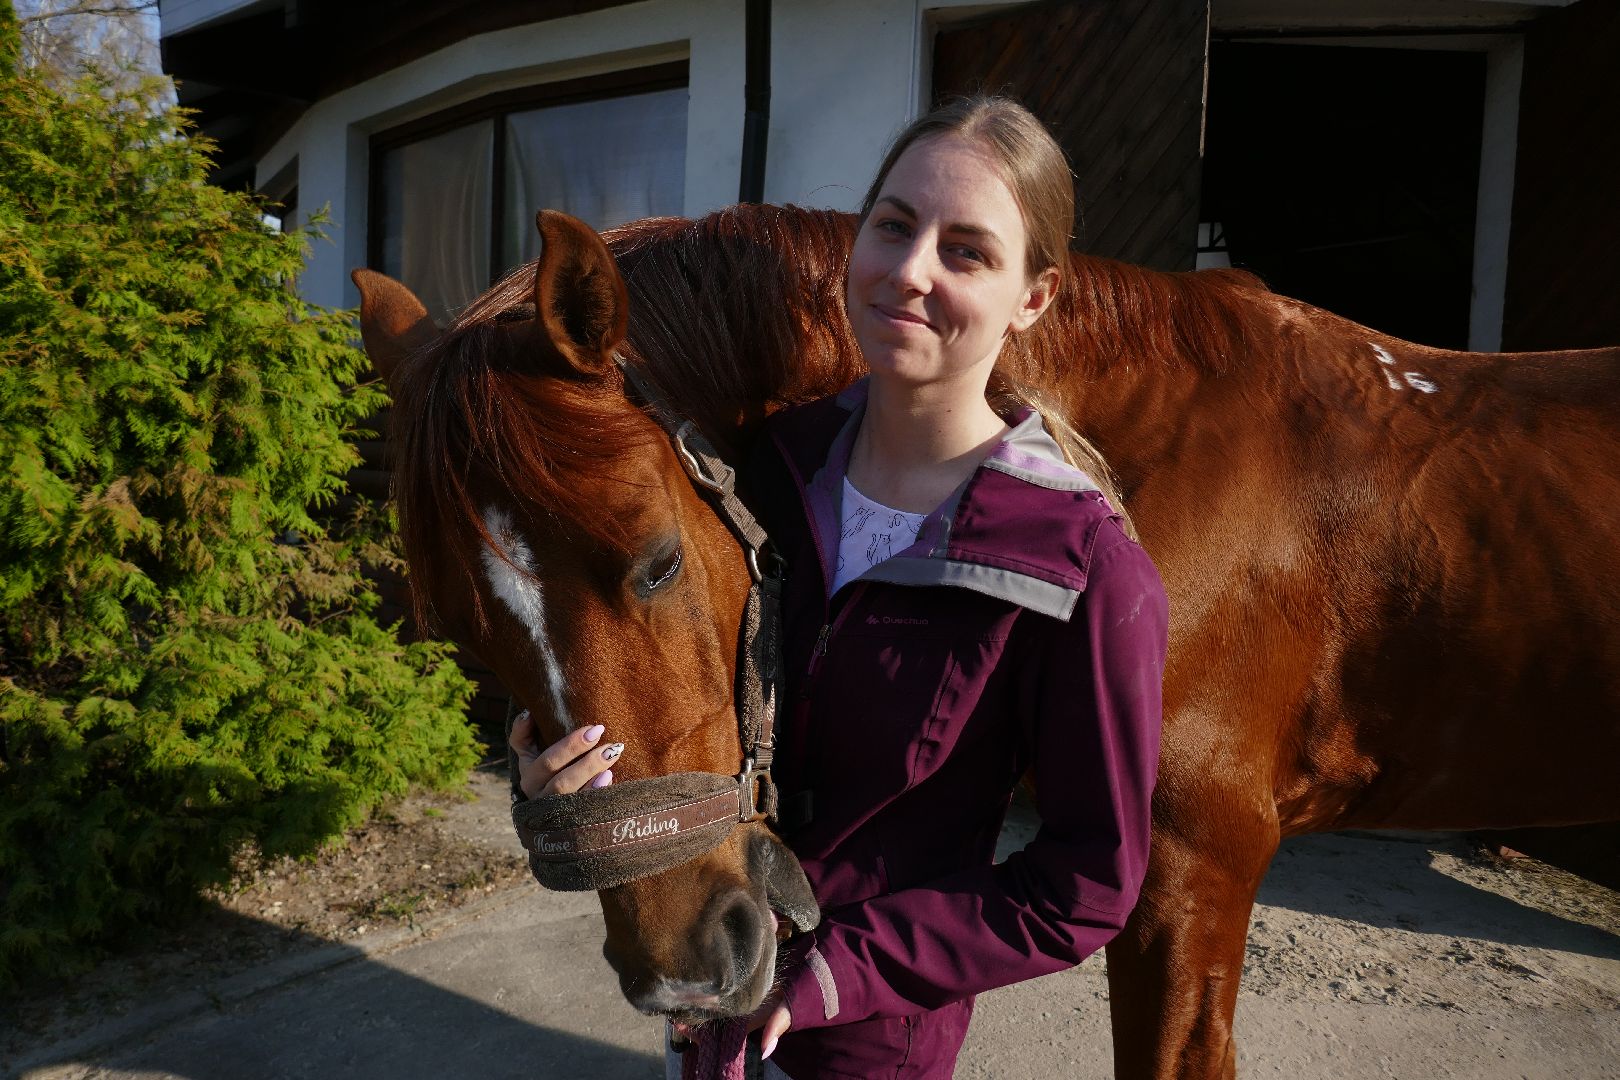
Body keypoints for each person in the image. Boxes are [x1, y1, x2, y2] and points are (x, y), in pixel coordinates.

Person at [509, 96, 1168, 1079]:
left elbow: (1084, 887)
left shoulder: (1080, 566)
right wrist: (565, 791)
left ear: (1034, 296)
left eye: (968, 251)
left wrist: (837, 977)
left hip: (866, 1043)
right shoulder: (760, 472)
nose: (910, 271)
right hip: (707, 993)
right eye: (894, 226)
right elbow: (681, 706)